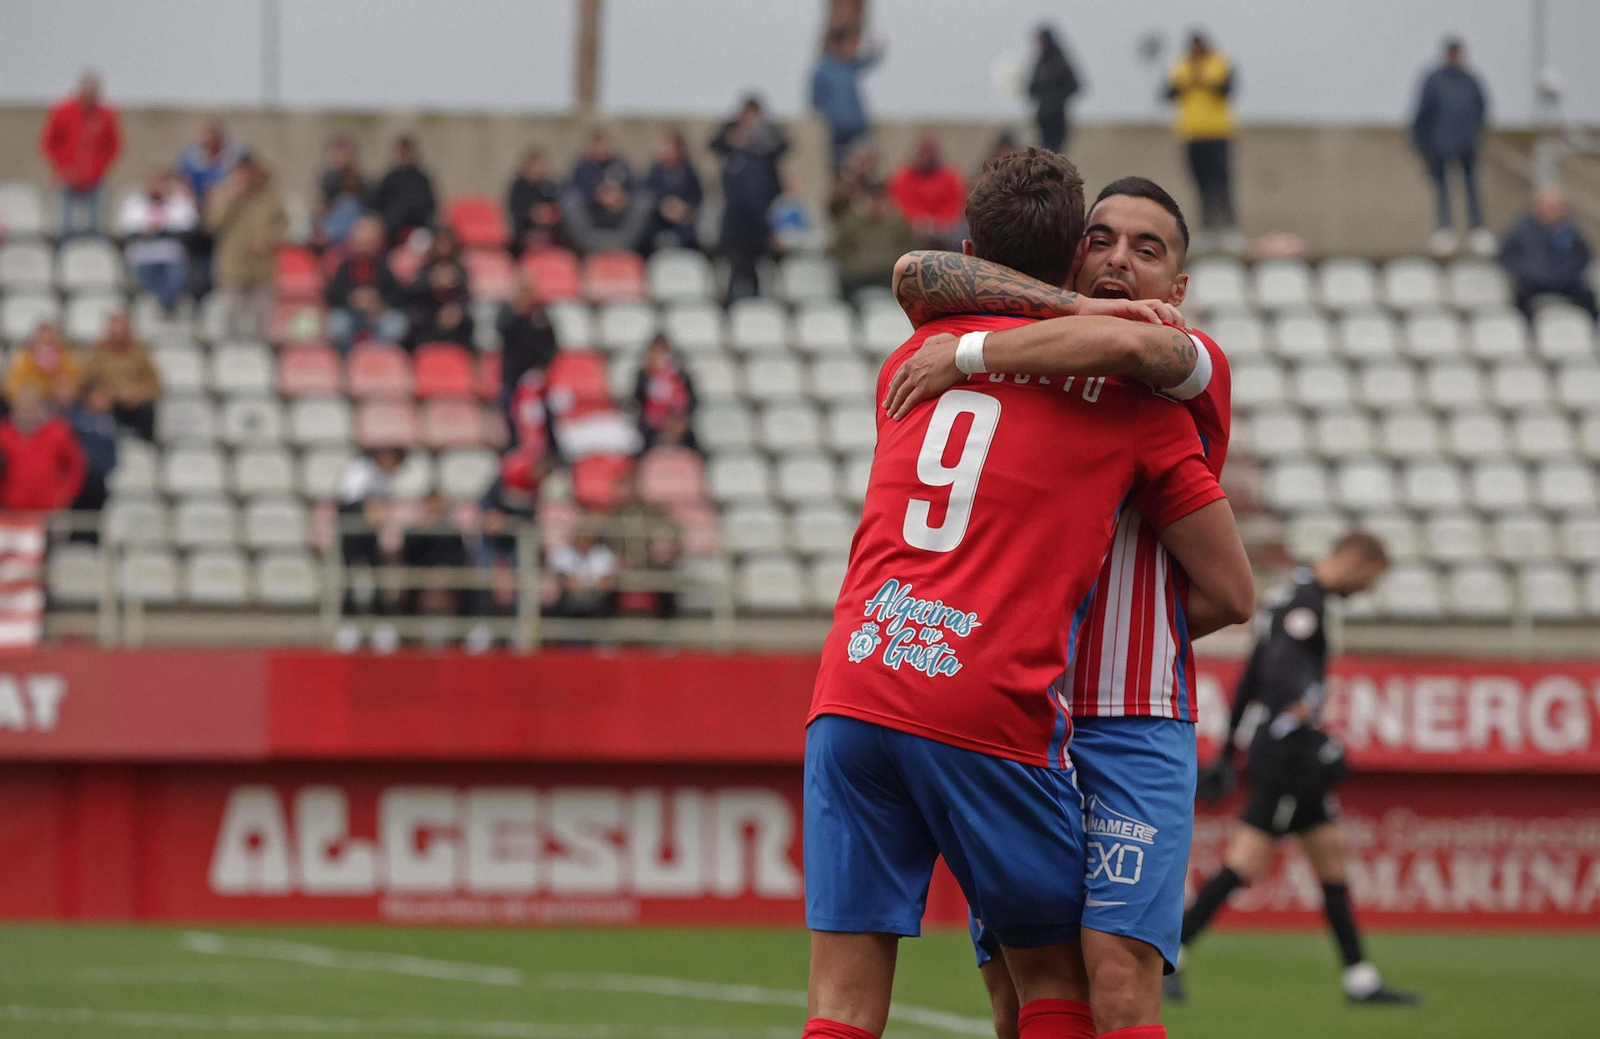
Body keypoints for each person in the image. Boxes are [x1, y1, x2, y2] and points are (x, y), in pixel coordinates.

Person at [801, 148, 1253, 1039]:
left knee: (1110, 983)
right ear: (1068, 257)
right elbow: (925, 270)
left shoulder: (1154, 372)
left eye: (1148, 249)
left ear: (1181, 281)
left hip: (1100, 710)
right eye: (1102, 239)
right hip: (1010, 699)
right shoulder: (1091, 388)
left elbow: (1232, 589)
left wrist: (973, 352)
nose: (1122, 260)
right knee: (1023, 990)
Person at [1168, 535, 1421, 1009]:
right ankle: (1169, 956)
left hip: (1286, 753)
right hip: (1289, 757)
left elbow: (1251, 676)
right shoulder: (1307, 605)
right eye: (1369, 578)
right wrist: (1311, 732)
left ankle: (1360, 980)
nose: (1365, 589)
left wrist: (1229, 748)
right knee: (1247, 861)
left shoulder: (1288, 598)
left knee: (1331, 856)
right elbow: (1285, 680)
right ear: (1353, 561)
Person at [1412, 38, 1492, 258]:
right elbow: (1423, 113)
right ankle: (1444, 229)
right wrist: (1422, 144)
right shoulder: (1434, 81)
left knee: (1471, 187)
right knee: (1443, 189)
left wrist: (1474, 135)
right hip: (1440, 146)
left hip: (1467, 146)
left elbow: (1481, 109)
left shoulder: (1470, 80)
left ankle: (1477, 229)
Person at [709, 96, 788, 302]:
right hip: (736, 221)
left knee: (761, 269)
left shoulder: (765, 147)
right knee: (735, 270)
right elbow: (714, 144)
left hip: (759, 218)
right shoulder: (732, 149)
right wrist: (733, 132)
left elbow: (783, 146)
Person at [204, 153, 285, 342]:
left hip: (262, 267)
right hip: (233, 266)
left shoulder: (268, 196)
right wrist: (233, 195)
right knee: (230, 319)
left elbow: (283, 225)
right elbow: (212, 224)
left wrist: (271, 238)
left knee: (261, 321)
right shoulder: (221, 193)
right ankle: (228, 362)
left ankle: (259, 361)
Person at [333, 447, 406, 654]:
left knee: (377, 579)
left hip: (370, 535)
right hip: (352, 534)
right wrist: (367, 509)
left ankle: (381, 625)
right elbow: (345, 502)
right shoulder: (361, 470)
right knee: (349, 581)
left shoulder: (383, 479)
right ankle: (348, 626)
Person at [1165, 32, 1237, 241]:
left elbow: (1228, 89)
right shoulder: (1180, 66)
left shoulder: (1220, 63)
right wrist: (1188, 81)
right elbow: (1168, 94)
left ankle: (1228, 228)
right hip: (1191, 135)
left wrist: (1204, 80)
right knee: (1200, 184)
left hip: (1217, 133)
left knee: (1221, 182)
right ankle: (1207, 229)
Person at [1498, 184, 1596, 323]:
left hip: (1566, 284)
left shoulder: (1570, 229)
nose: (1557, 212)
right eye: (1552, 208)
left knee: (1588, 297)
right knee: (1519, 300)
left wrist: (1567, 274)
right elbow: (1507, 256)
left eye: (1559, 207)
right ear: (1538, 206)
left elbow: (1584, 255)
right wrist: (1530, 273)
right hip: (1533, 285)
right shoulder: (1520, 229)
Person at [40, 72, 121, 239]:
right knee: (65, 225)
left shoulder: (105, 114)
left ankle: (96, 257)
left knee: (97, 225)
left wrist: (97, 170)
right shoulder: (63, 111)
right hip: (66, 177)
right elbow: (49, 143)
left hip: (95, 179)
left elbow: (113, 146)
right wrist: (63, 167)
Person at [176, 120, 243, 298]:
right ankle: (197, 290)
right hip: (197, 215)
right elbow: (184, 180)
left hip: (225, 216)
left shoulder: (233, 159)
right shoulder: (192, 158)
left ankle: (212, 286)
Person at [117, 171, 197, 315]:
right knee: (146, 286)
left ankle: (166, 309)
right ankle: (160, 311)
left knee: (175, 280)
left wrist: (158, 230)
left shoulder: (179, 202)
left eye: (161, 183)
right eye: (153, 182)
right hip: (143, 256)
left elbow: (188, 227)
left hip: (171, 255)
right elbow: (128, 229)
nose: (156, 187)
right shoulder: (134, 203)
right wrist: (157, 230)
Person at [326, 216, 408, 353]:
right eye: (360, 242)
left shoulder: (383, 267)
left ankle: (376, 358)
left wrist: (379, 304)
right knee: (337, 325)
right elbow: (332, 295)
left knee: (396, 325)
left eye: (368, 242)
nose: (363, 247)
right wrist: (352, 299)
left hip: (377, 315)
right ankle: (347, 358)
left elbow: (396, 295)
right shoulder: (345, 267)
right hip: (351, 314)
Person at [605, 473, 681, 618]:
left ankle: (666, 628)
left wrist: (665, 549)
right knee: (603, 580)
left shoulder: (652, 510)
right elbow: (604, 541)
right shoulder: (612, 514)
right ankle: (608, 630)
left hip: (651, 562)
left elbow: (672, 530)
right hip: (621, 564)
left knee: (667, 579)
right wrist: (615, 557)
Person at [0, 388, 86, 513]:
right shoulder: (4, 433)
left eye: (31, 404)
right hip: (10, 509)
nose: (26, 409)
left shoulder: (58, 432)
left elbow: (75, 466)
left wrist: (65, 494)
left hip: (46, 509)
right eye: (22, 405)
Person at [810, 26, 884, 171]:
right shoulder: (823, 70)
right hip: (837, 134)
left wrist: (875, 41)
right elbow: (815, 101)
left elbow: (872, 59)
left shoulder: (851, 66)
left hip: (858, 129)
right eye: (850, 44)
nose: (854, 49)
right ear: (839, 45)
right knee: (840, 171)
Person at [564, 132, 650, 254]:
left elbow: (634, 188)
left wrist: (621, 197)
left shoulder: (621, 164)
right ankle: (589, 247)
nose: (602, 150)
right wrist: (597, 197)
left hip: (619, 215)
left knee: (644, 201)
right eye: (598, 146)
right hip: (593, 215)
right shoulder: (582, 167)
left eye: (605, 145)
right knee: (569, 202)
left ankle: (625, 245)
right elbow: (573, 189)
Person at [830, 178, 917, 299]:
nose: (876, 203)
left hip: (888, 275)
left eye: (880, 198)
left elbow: (910, 250)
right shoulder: (851, 222)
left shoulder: (898, 224)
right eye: (872, 198)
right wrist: (854, 265)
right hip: (859, 275)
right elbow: (838, 249)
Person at [82, 312, 161, 440]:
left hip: (135, 406)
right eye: (115, 333)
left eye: (122, 332)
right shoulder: (98, 354)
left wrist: (136, 393)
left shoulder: (140, 353)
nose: (118, 338)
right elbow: (87, 382)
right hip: (108, 406)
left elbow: (156, 385)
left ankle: (146, 447)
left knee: (148, 412)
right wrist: (105, 394)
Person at [399, 491, 470, 625]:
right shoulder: (415, 532)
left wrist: (445, 572)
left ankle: (465, 629)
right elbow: (409, 557)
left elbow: (458, 558)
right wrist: (427, 574)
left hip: (448, 577)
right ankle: (407, 631)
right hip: (420, 576)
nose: (433, 508)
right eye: (430, 504)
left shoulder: (453, 531)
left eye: (437, 504)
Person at [887, 136, 966, 249]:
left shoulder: (951, 177)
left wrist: (939, 224)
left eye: (929, 153)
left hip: (946, 229)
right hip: (911, 228)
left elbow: (955, 205)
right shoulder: (903, 176)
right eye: (922, 153)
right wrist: (920, 222)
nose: (926, 158)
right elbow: (903, 204)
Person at [497, 278, 558, 420]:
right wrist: (518, 313)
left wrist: (542, 367)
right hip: (512, 371)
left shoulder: (540, 313)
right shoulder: (507, 312)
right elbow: (502, 330)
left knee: (545, 407)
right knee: (507, 404)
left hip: (536, 369)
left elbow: (551, 343)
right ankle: (512, 440)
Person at [62, 382, 120, 534]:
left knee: (95, 521)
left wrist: (108, 466)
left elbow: (112, 452)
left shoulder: (109, 423)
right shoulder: (74, 419)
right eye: (100, 396)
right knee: (75, 520)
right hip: (77, 479)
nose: (103, 401)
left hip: (98, 479)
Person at [403, 228, 473, 349]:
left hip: (452, 312)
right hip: (429, 310)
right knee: (415, 320)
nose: (443, 248)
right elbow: (413, 295)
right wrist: (431, 283)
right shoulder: (426, 269)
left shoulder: (460, 271)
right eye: (440, 243)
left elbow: (465, 296)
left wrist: (455, 309)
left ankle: (463, 355)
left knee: (469, 321)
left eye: (447, 243)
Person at [641, 131, 704, 254]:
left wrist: (684, 208)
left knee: (689, 236)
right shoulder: (656, 170)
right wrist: (662, 206)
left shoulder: (688, 171)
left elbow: (696, 195)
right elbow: (647, 193)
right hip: (658, 217)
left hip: (682, 218)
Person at [632, 335, 697, 453]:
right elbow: (638, 400)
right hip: (651, 424)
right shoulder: (644, 375)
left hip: (677, 421)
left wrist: (678, 419)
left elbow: (691, 402)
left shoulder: (681, 375)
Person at [369, 135, 437, 245]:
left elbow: (429, 205)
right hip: (391, 230)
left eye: (407, 151)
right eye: (402, 151)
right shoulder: (390, 177)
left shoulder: (421, 179)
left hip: (417, 228)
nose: (404, 155)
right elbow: (376, 202)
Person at [548, 524, 619, 618]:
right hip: (568, 598)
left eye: (586, 539)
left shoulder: (604, 553)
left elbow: (608, 580)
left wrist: (595, 586)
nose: (583, 542)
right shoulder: (561, 552)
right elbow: (562, 577)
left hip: (597, 597)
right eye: (580, 539)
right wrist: (572, 583)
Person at [1030, 27, 1081, 154]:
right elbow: (1032, 88)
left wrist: (1057, 99)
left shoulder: (1061, 62)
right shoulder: (1040, 63)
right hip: (1043, 118)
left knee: (1057, 152)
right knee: (1044, 152)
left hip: (1057, 118)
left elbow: (1075, 86)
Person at [506, 147, 565, 254]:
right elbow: (516, 211)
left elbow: (559, 206)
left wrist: (549, 214)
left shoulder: (549, 185)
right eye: (534, 166)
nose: (537, 169)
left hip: (550, 231)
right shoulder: (519, 186)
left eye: (539, 165)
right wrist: (533, 215)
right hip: (525, 232)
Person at [7, 324, 83, 405]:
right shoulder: (23, 362)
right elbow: (12, 389)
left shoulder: (68, 361)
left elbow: (76, 385)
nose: (45, 348)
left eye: (50, 343)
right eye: (41, 342)